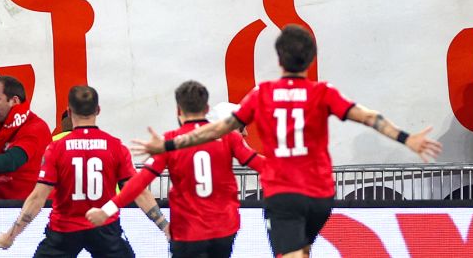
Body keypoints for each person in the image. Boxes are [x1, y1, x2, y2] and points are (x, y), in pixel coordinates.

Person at [132, 24, 442, 258]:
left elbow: (216, 130)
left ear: (278, 58)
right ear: (311, 59)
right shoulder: (324, 92)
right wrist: (406, 138)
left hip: (284, 194)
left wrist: (169, 145)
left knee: (290, 253)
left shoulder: (261, 94)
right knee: (300, 250)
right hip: (321, 195)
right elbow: (367, 116)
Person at [86, 80, 264, 257]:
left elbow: (139, 183)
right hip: (224, 228)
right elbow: (260, 164)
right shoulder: (230, 139)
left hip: (188, 230)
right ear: (207, 109)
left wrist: (106, 210)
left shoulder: (170, 142)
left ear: (179, 110)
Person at [0, 85, 168, 254]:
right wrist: (166, 228)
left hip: (63, 230)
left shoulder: (56, 148)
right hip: (105, 229)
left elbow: (38, 197)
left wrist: (11, 236)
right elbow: (139, 192)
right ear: (98, 110)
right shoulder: (115, 146)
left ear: (69, 112)